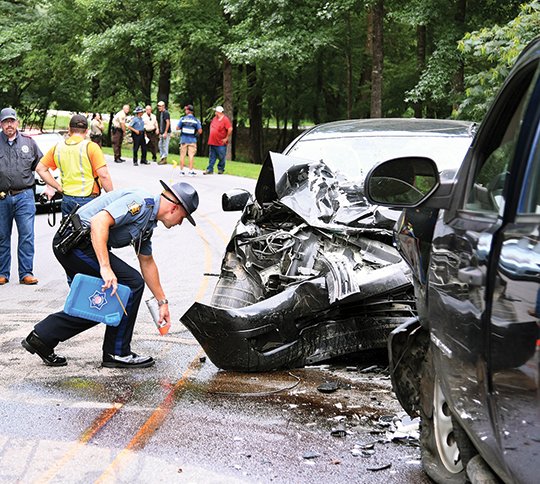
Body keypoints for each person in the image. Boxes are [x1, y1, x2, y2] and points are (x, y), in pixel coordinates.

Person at [21, 180, 200, 368]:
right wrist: (105, 267)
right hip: (74, 243)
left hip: (81, 245)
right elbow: (99, 222)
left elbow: (146, 261)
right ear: (174, 208)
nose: (180, 223)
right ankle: (117, 352)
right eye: (183, 217)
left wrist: (162, 302)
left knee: (101, 300)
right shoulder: (139, 202)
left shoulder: (149, 221)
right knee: (131, 285)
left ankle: (42, 337)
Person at [36, 114, 114, 216]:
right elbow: (104, 175)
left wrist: (57, 187)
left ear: (69, 129)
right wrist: (112, 197)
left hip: (67, 198)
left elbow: (40, 169)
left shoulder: (58, 148)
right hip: (88, 199)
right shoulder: (91, 147)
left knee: (68, 230)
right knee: (91, 230)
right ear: (86, 131)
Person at [0, 107, 43, 286]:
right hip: (2, 197)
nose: (9, 125)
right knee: (2, 236)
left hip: (24, 195)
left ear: (17, 122)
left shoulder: (29, 143)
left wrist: (50, 186)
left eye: (12, 121)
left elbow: (40, 165)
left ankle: (26, 272)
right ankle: (2, 273)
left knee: (27, 235)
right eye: (5, 122)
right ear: (1, 124)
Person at [204, 105, 232, 175]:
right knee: (212, 156)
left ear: (219, 112)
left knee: (221, 156)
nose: (215, 112)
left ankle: (221, 169)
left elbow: (230, 129)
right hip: (212, 141)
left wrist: (226, 138)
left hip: (220, 142)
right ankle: (210, 169)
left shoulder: (225, 119)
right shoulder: (214, 118)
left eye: (216, 111)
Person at [176, 104, 202, 175]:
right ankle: (190, 171)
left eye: (186, 110)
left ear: (188, 111)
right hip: (192, 140)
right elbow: (200, 131)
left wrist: (183, 128)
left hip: (184, 139)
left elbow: (177, 128)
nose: (185, 111)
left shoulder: (183, 119)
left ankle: (182, 171)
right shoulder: (196, 120)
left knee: (182, 155)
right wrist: (195, 134)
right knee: (191, 155)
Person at [157, 100, 171, 165]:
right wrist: (160, 132)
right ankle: (162, 158)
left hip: (166, 132)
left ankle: (164, 159)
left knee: (165, 145)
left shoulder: (166, 113)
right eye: (158, 106)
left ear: (163, 106)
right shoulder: (162, 113)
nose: (158, 107)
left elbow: (168, 122)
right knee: (160, 145)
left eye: (160, 106)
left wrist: (165, 132)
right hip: (162, 132)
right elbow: (162, 124)